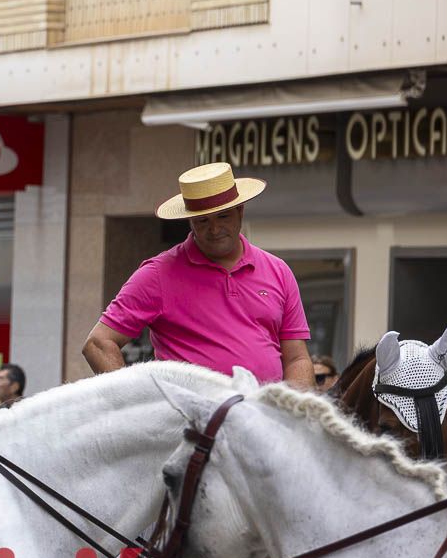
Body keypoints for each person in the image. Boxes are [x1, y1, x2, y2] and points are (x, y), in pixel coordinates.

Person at [82, 162, 313, 389]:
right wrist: (133, 401)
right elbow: (98, 343)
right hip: (190, 423)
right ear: (190, 221)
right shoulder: (157, 274)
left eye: (223, 216)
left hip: (261, 420)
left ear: (240, 211)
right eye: (203, 220)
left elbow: (296, 359)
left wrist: (296, 415)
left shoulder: (278, 270)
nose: (214, 229)